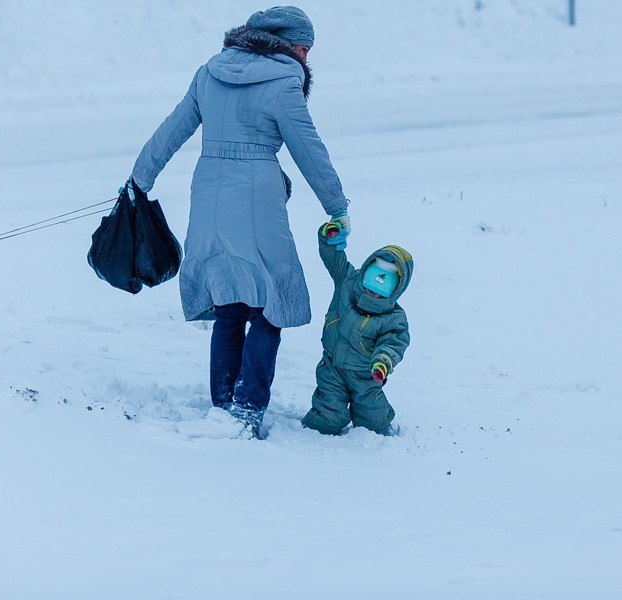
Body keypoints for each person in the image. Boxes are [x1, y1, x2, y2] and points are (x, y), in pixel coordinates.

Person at [125, 6, 351, 438]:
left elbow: (172, 129)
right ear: (284, 42)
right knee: (273, 301)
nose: (306, 56)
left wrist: (140, 178)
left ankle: (224, 403)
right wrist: (336, 206)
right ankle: (247, 408)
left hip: (207, 190)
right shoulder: (284, 81)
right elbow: (309, 150)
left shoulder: (210, 71)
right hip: (257, 195)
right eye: (303, 47)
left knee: (229, 303)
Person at [301, 221, 413, 435]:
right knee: (328, 416)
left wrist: (382, 362)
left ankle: (380, 429)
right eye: (370, 287)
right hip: (332, 367)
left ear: (395, 290)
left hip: (365, 375)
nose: (372, 294)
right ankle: (309, 434)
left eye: (380, 292)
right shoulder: (347, 282)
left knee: (373, 421)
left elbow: (393, 344)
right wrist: (328, 238)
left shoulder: (393, 318)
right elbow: (334, 259)